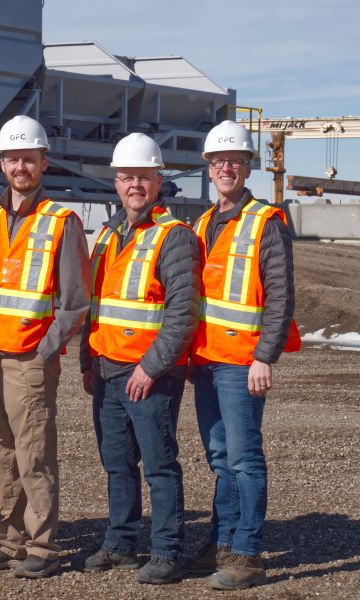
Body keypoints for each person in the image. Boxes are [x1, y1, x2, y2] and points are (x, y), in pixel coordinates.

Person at [0, 115, 90, 579]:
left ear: (43, 163)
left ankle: (43, 545)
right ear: (2, 164)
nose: (21, 167)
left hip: (29, 358)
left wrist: (46, 349)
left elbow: (75, 302)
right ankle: (8, 540)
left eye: (29, 159)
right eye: (13, 159)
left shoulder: (61, 221)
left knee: (33, 452)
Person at [78, 133, 200, 584]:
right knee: (118, 464)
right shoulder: (108, 235)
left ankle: (167, 551)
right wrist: (87, 361)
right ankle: (120, 543)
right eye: (127, 177)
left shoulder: (174, 236)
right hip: (107, 369)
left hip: (151, 374)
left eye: (144, 177)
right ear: (116, 182)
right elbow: (97, 305)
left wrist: (151, 367)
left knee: (160, 465)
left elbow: (183, 311)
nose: (135, 185)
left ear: (158, 181)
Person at [186, 120, 300, 590]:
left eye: (234, 161)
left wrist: (264, 357)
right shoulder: (202, 224)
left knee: (244, 459)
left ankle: (247, 554)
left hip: (242, 361)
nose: (226, 168)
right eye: (219, 162)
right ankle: (221, 542)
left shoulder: (265, 221)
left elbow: (280, 294)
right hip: (205, 360)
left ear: (248, 167)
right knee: (220, 458)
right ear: (209, 168)